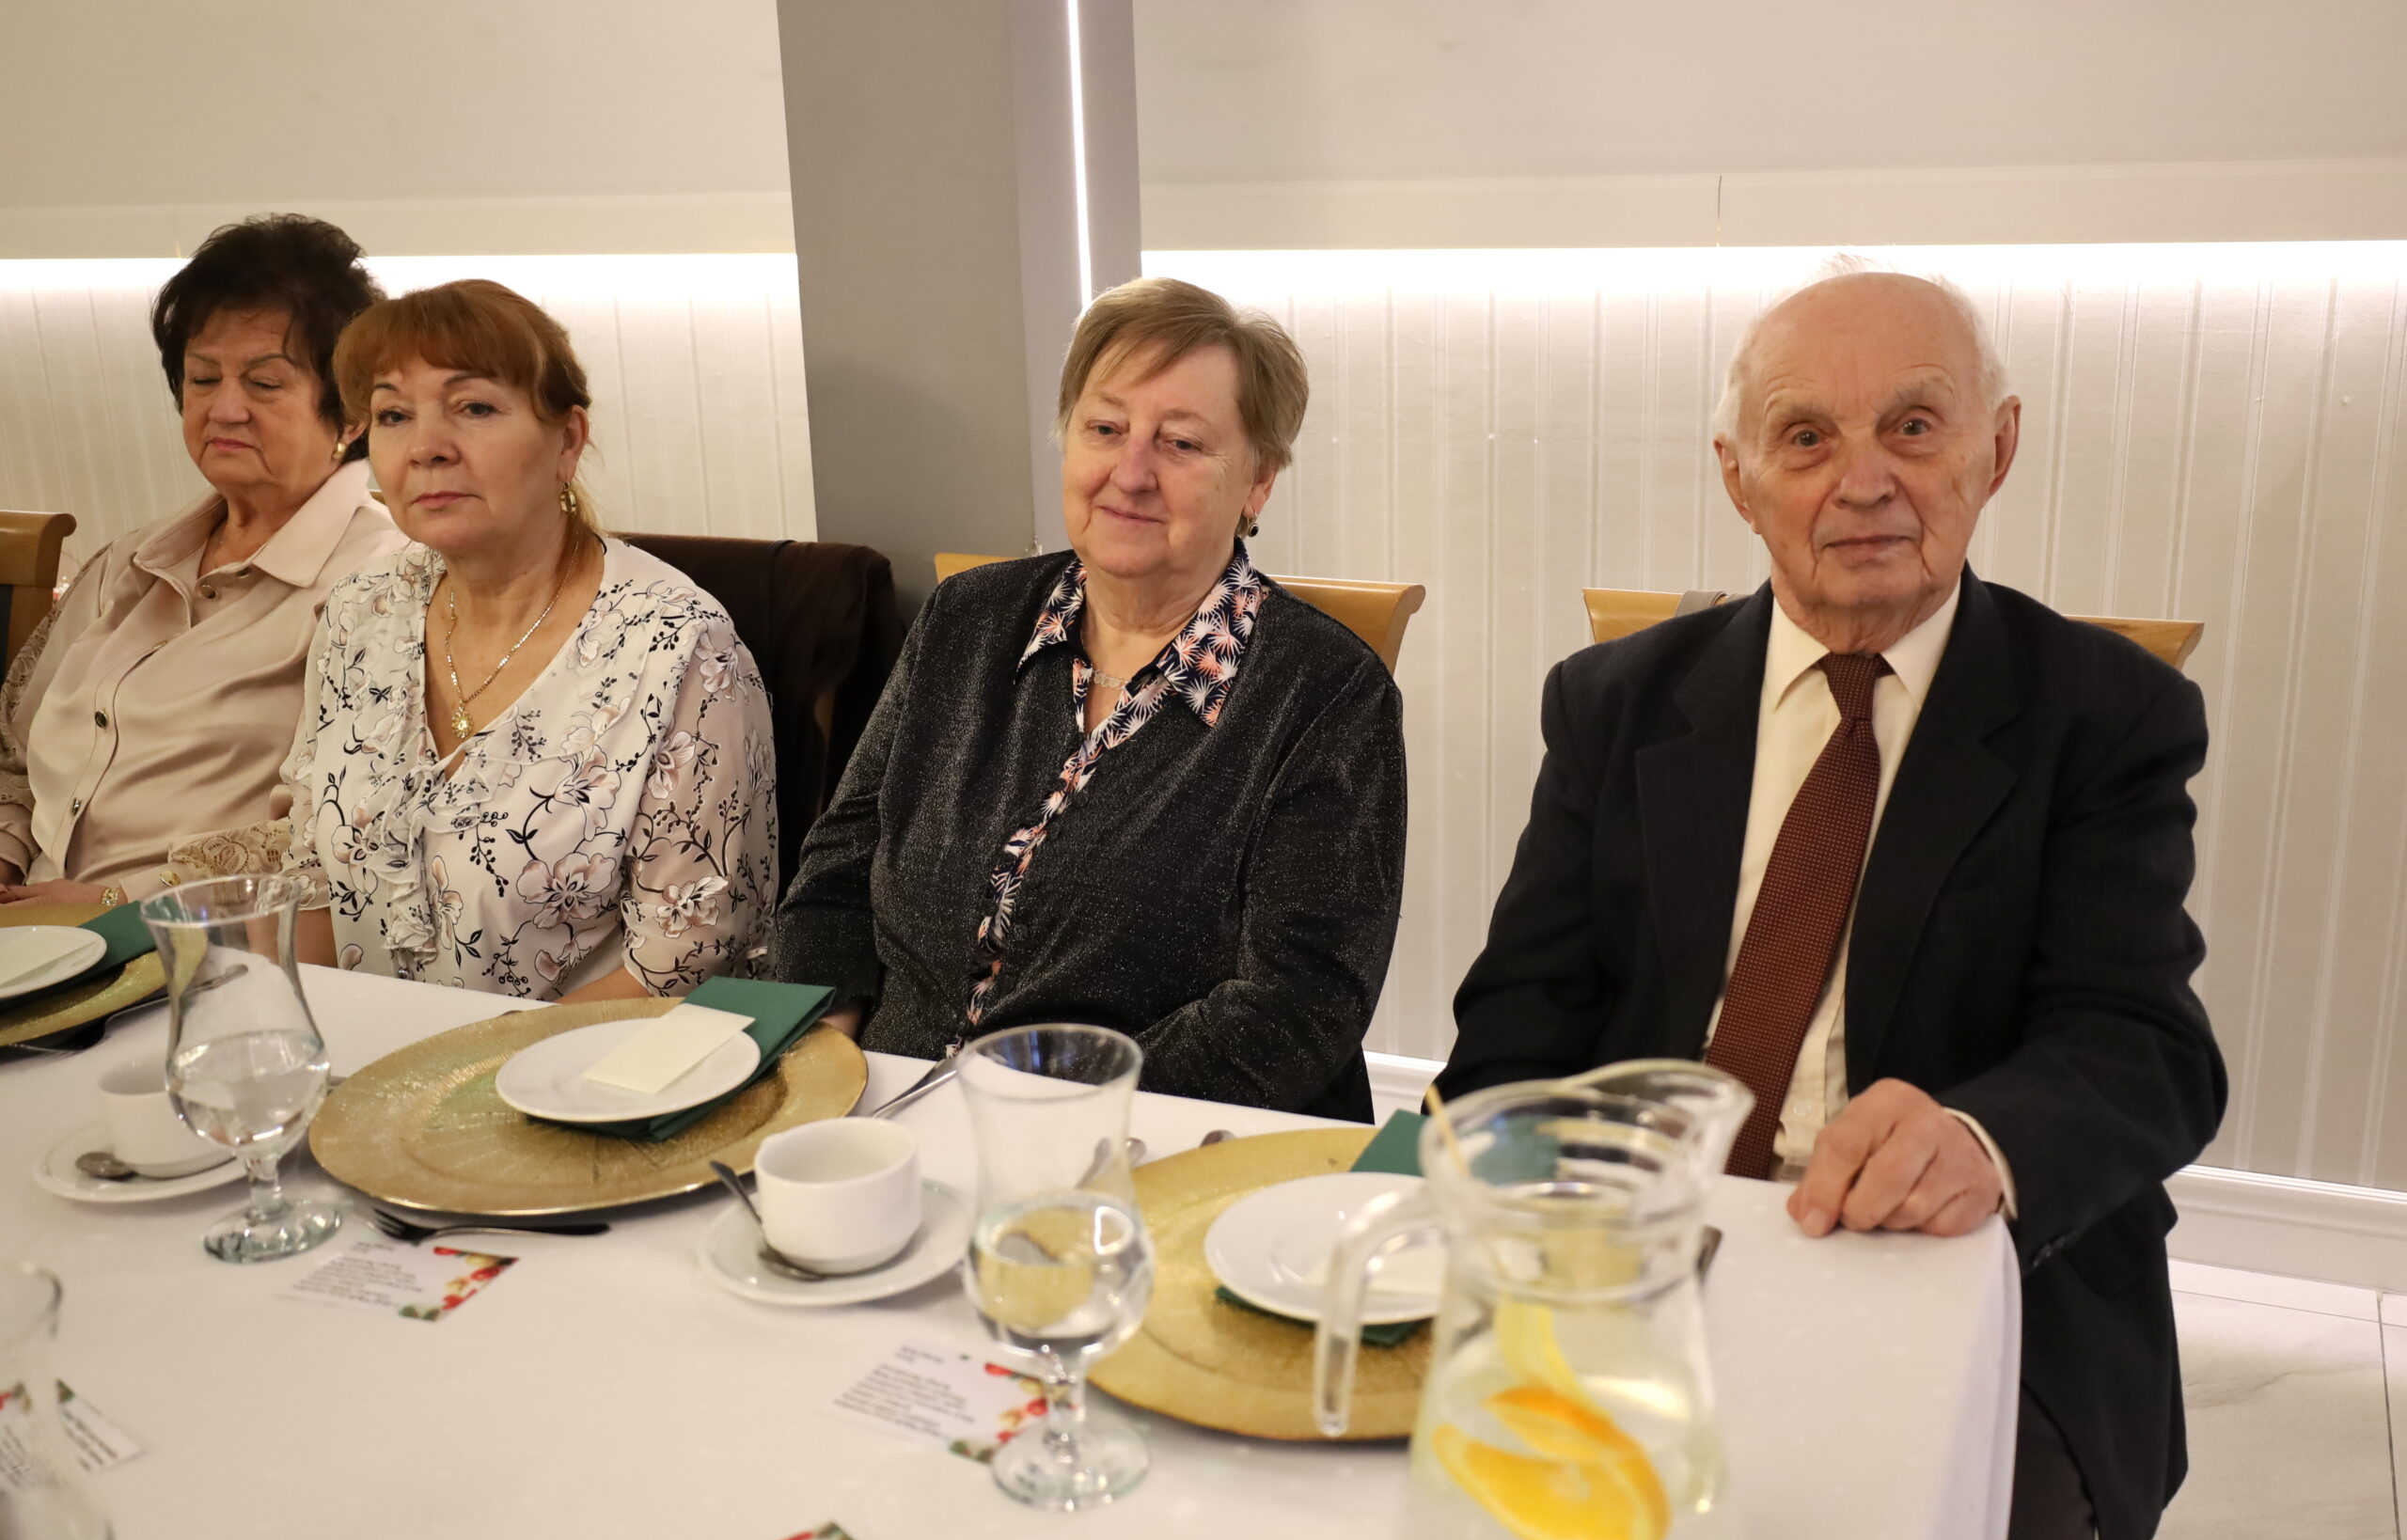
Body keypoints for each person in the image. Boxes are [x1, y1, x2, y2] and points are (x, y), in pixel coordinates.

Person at [1435, 267, 2224, 1540]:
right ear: (1739, 480)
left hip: (1960, 1273)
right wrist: (1544, 1247)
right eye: (1805, 437)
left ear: (1997, 448)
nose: (1863, 482)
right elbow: (1514, 1031)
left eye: (1912, 426)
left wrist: (1978, 1138)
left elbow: (2144, 1049)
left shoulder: (2104, 714)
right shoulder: (1614, 704)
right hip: (1641, 1253)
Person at [771, 277, 1406, 1119]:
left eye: (1181, 443)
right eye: (1105, 429)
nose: (1130, 473)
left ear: (1258, 482)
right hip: (885, 1107)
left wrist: (1035, 1121)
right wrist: (830, 1068)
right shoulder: (966, 617)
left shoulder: (1328, 692)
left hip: (1146, 1143)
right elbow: (840, 860)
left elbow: (1297, 1008)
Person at [277, 279, 778, 1000]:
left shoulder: (678, 648)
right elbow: (312, 879)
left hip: (583, 1062)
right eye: (393, 415)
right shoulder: (360, 611)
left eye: (474, 408)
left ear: (567, 440)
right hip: (367, 1054)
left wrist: (460, 1069)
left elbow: (683, 967)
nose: (426, 448)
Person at [0, 214, 406, 908]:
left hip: (208, 940)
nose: (224, 408)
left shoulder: (387, 582)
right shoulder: (125, 562)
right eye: (202, 378)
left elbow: (348, 834)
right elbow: (13, 756)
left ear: (350, 414)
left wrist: (116, 904)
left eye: (265, 383)